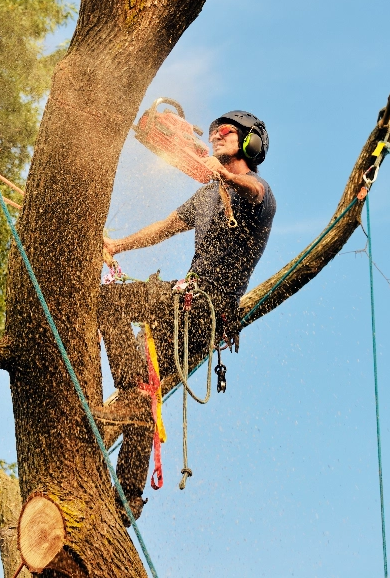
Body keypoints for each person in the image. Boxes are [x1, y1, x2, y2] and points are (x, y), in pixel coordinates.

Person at [98, 111, 276, 520]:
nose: (217, 135)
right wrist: (116, 245)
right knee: (143, 388)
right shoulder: (206, 195)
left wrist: (225, 175)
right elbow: (164, 227)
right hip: (180, 304)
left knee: (110, 303)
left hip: (205, 312)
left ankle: (130, 388)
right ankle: (128, 494)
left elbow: (253, 189)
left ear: (250, 144)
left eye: (227, 132)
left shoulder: (256, 192)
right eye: (213, 132)